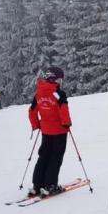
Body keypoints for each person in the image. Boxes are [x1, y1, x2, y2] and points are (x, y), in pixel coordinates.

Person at [28, 67, 72, 197]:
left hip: (46, 131)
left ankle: (37, 185)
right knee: (55, 158)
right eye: (60, 79)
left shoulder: (39, 93)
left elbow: (32, 111)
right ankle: (50, 185)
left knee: (43, 156)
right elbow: (63, 109)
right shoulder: (58, 93)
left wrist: (37, 125)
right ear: (56, 79)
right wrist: (67, 123)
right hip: (59, 131)